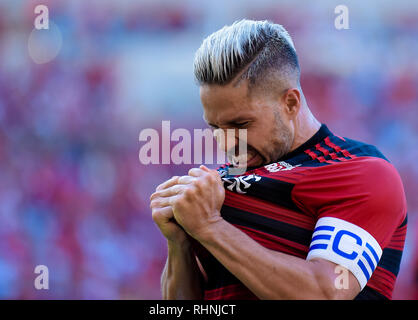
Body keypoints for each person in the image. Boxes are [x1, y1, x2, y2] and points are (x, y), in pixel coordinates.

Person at [150, 19, 407, 300]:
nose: (228, 143)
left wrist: (210, 228)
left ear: (291, 103)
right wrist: (179, 244)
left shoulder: (359, 172)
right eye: (215, 127)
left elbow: (325, 293)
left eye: (241, 124)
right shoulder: (211, 190)